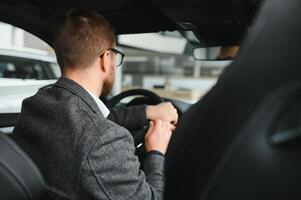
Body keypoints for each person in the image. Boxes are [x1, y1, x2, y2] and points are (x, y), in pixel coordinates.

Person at [12, 9, 178, 200]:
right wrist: (156, 151)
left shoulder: (37, 103)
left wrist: (148, 111)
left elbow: (94, 118)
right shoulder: (103, 140)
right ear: (106, 59)